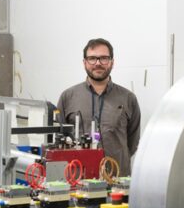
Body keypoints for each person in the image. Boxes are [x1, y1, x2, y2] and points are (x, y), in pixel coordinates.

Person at [57, 38, 141, 175]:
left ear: (112, 62)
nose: (97, 63)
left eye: (104, 58)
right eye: (92, 58)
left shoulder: (128, 98)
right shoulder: (68, 97)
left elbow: (133, 142)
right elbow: (61, 139)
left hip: (117, 181)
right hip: (78, 180)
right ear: (84, 62)